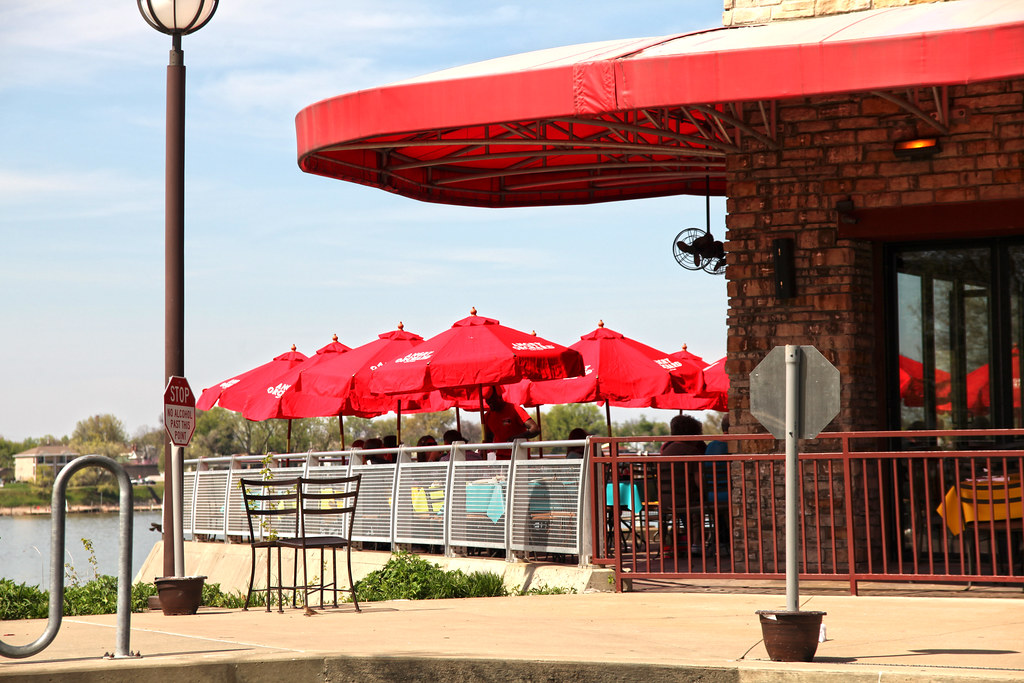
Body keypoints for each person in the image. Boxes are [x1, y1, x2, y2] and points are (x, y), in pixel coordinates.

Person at [659, 414, 706, 554]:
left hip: (665, 500)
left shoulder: (665, 452)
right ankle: (697, 543)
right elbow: (699, 482)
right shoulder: (692, 452)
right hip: (685, 500)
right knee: (701, 501)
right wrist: (707, 492)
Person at [482, 386, 539, 459]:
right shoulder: (487, 416)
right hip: (500, 457)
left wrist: (516, 438)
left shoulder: (515, 409)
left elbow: (535, 429)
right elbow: (488, 438)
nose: (490, 404)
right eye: (487, 401)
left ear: (499, 396)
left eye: (492, 400)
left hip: (519, 456)